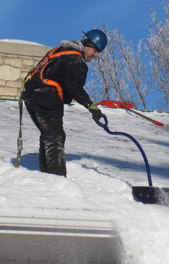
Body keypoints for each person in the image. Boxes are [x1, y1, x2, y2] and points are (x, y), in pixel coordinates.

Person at [21, 29, 107, 176]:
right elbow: (74, 89)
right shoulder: (76, 60)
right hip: (46, 96)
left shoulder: (62, 51)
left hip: (31, 96)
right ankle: (57, 178)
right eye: (96, 50)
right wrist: (91, 106)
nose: (96, 55)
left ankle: (46, 175)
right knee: (55, 137)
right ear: (87, 44)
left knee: (49, 135)